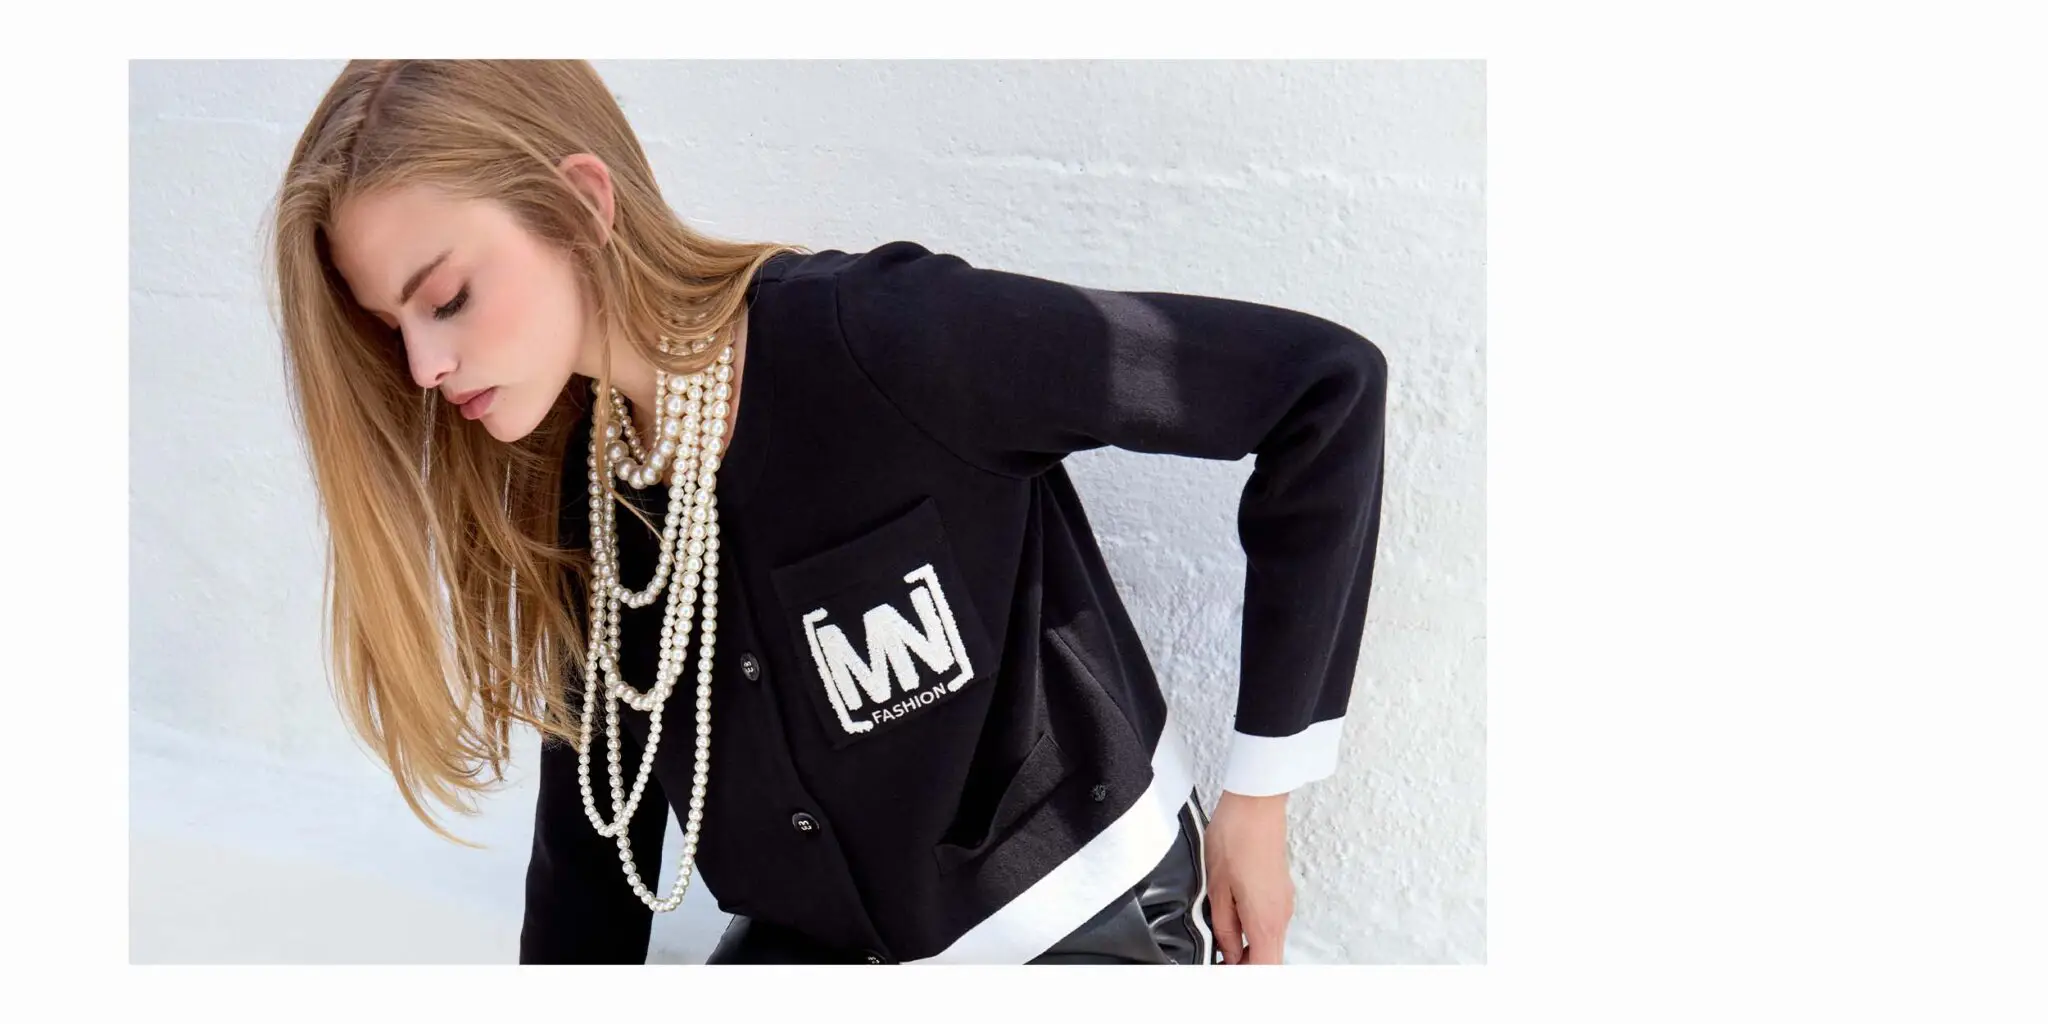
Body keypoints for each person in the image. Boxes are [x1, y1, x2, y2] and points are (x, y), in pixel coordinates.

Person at [265, 59, 1388, 966]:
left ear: (580, 202)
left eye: (446, 297)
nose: (421, 365)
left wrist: (1259, 801)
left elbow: (1319, 390)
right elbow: (593, 847)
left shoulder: (887, 342)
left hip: (1075, 932)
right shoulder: (588, 493)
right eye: (390, 328)